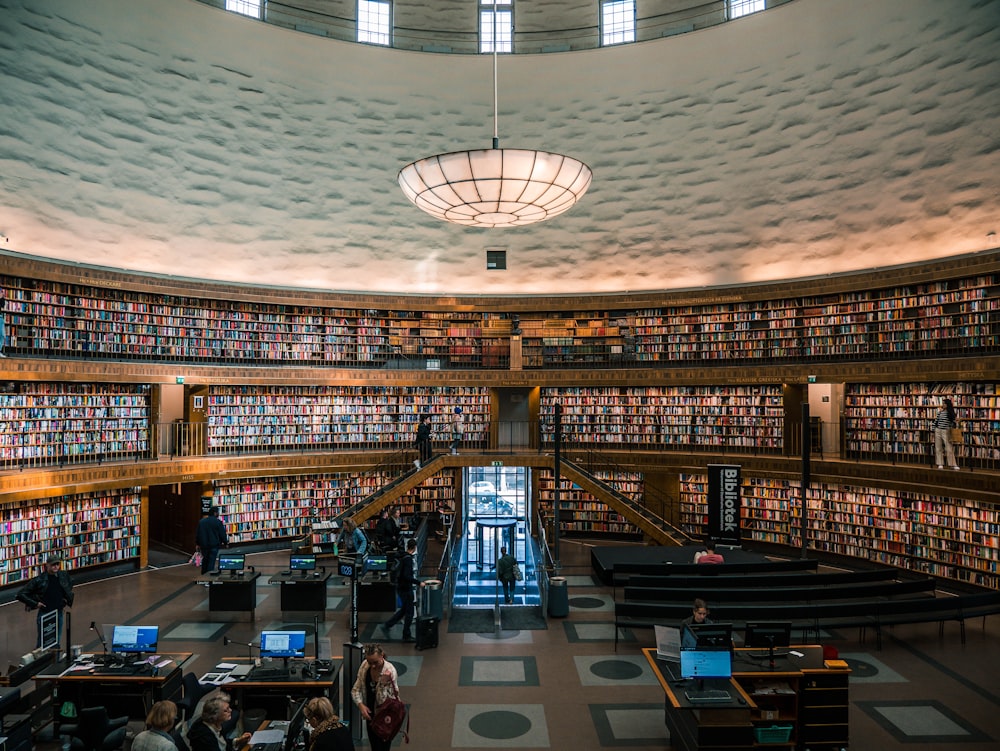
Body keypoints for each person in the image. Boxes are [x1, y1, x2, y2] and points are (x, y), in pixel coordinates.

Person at [350, 643, 401, 751]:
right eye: (369, 662)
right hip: (370, 714)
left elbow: (385, 701)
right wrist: (361, 705)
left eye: (375, 662)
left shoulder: (390, 671)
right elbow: (355, 689)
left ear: (382, 655)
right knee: (374, 745)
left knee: (383, 747)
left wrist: (382, 683)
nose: (372, 666)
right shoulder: (365, 666)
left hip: (385, 716)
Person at [16, 554, 74, 648]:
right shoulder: (39, 580)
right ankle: (40, 661)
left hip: (58, 612)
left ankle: (56, 659)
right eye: (53, 565)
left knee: (57, 640)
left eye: (57, 564)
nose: (56, 567)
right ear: (47, 565)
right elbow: (20, 594)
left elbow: (69, 585)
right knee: (42, 641)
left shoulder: (63, 575)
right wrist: (35, 604)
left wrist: (65, 599)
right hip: (45, 613)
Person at [382, 538, 418, 641]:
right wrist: (419, 582)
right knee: (409, 612)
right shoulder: (408, 560)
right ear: (414, 548)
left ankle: (387, 625)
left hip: (400, 587)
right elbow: (407, 576)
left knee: (404, 610)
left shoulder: (402, 556)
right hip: (406, 588)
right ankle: (406, 635)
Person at [195, 506, 229, 574]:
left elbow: (198, 534)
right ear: (215, 513)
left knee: (205, 561)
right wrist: (226, 543)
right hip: (214, 545)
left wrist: (197, 544)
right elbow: (222, 534)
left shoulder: (201, 522)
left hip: (204, 545)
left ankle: (203, 575)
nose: (218, 514)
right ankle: (208, 578)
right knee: (211, 562)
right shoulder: (218, 522)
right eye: (217, 512)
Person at [932, 397, 960, 470]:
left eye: (944, 403)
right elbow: (936, 421)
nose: (943, 405)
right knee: (938, 448)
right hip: (938, 430)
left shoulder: (950, 413)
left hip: (946, 431)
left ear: (947, 404)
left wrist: (956, 421)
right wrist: (933, 429)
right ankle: (940, 463)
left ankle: (953, 464)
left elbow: (953, 422)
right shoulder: (940, 412)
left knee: (949, 448)